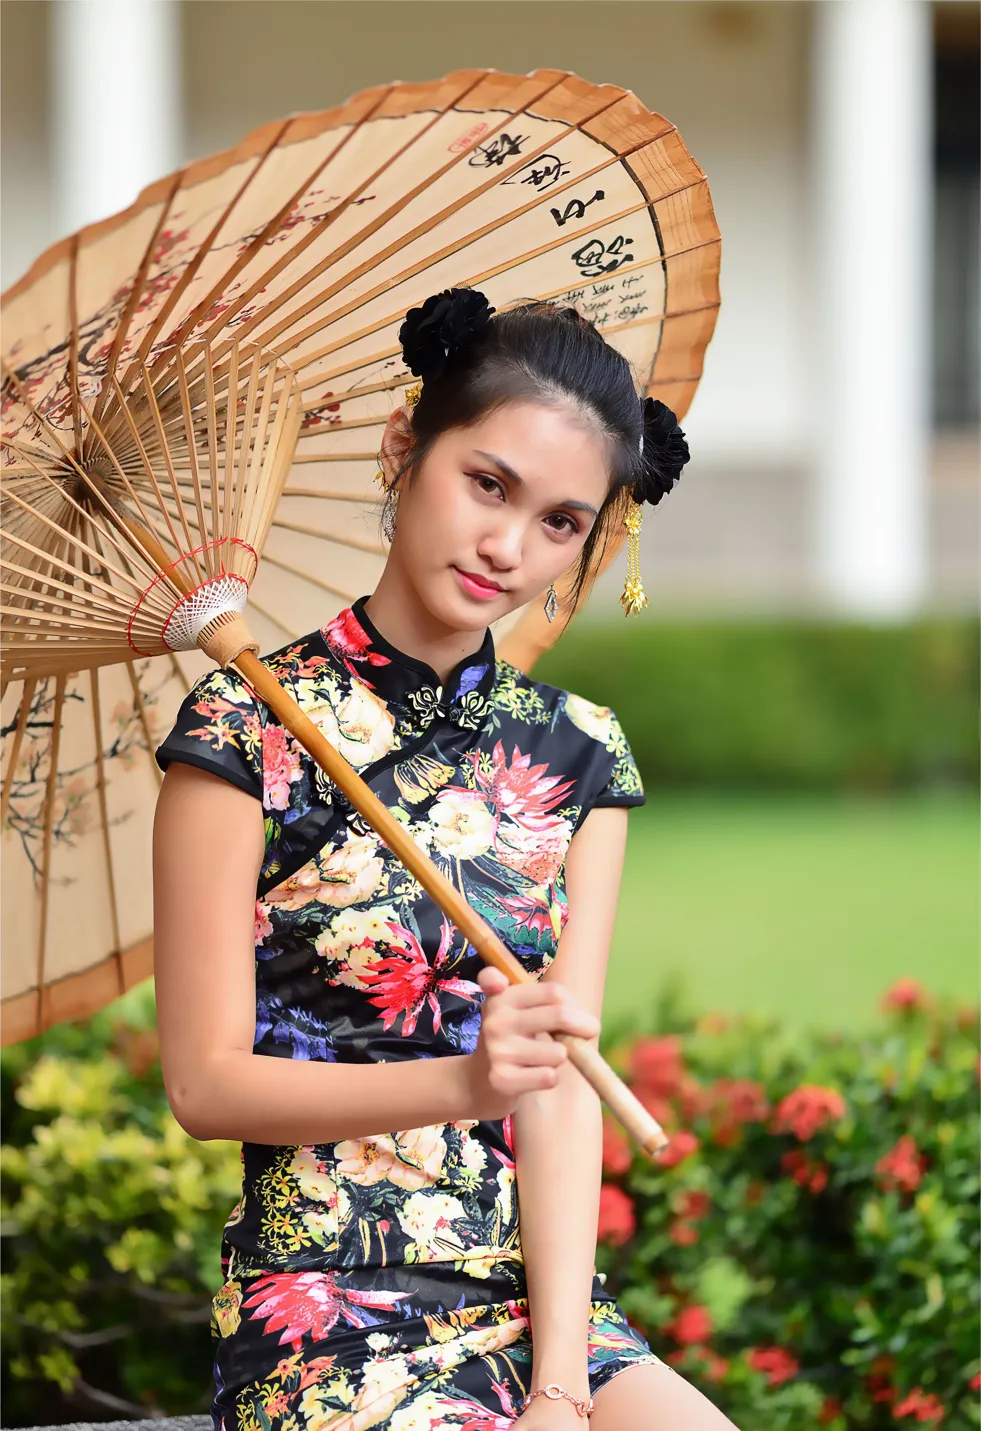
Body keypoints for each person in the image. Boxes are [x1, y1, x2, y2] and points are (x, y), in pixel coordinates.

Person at [152, 289, 738, 1431]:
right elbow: (202, 1085)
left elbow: (561, 1087)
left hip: (539, 1309)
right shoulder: (242, 731)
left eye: (563, 523)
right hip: (330, 1309)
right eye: (489, 484)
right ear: (404, 448)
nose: (509, 548)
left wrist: (563, 1391)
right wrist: (471, 1083)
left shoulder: (581, 755)